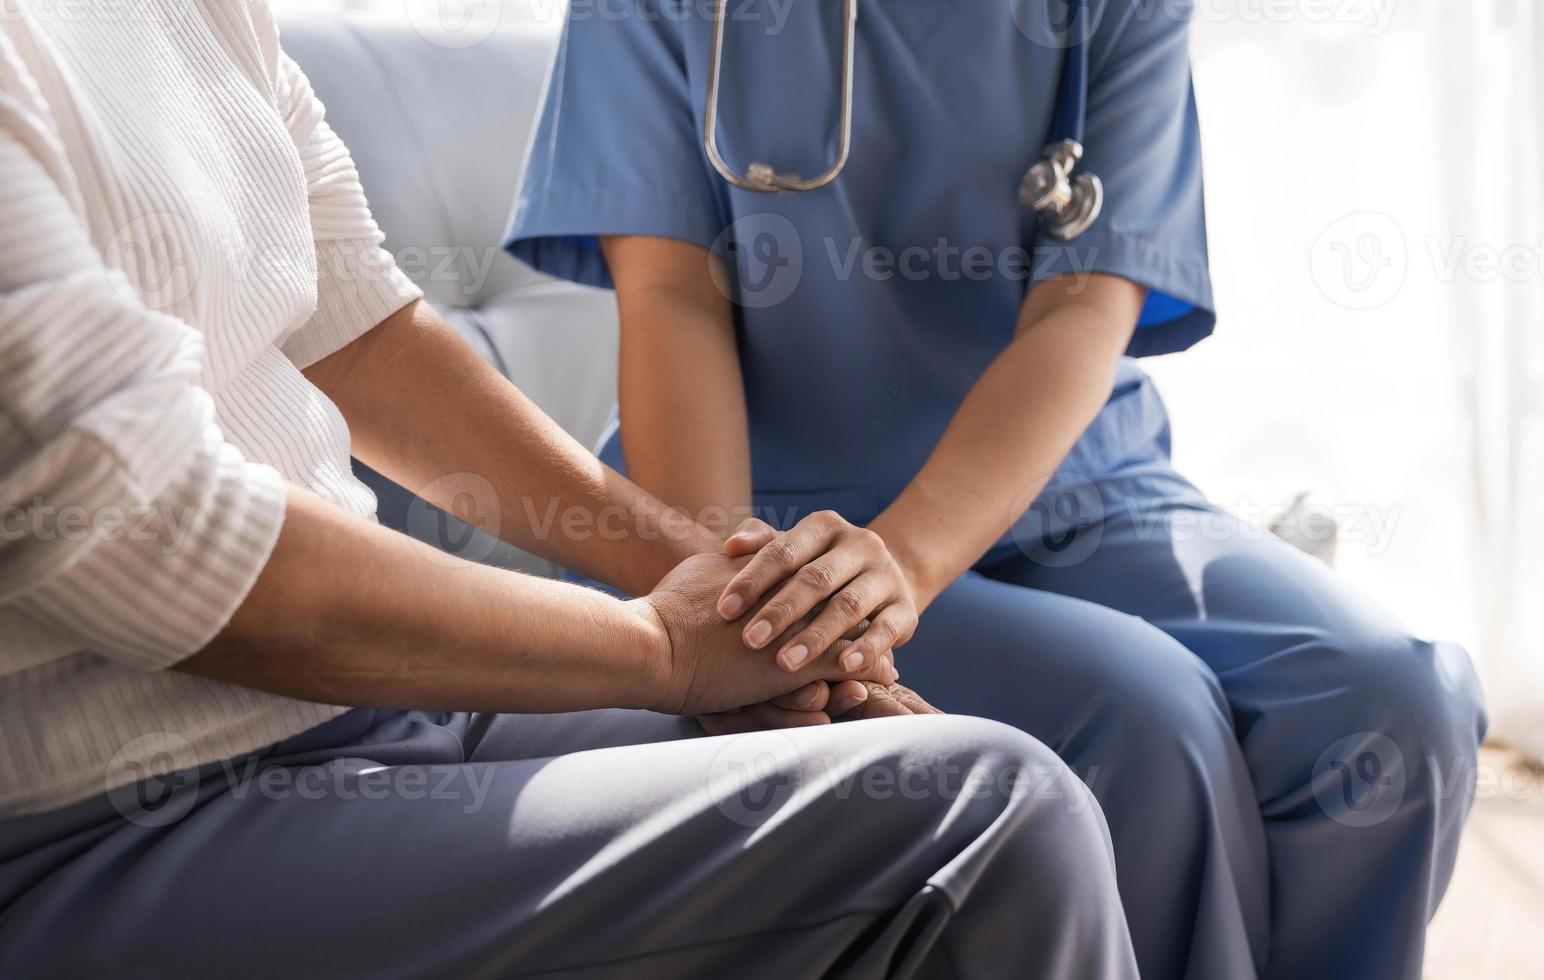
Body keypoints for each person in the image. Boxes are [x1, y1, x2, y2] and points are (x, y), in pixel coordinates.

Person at [0, 5, 1137, 977]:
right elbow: (165, 534)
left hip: (372, 725)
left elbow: (359, 327)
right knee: (988, 818)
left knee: (895, 746)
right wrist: (660, 648)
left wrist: (727, 599)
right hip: (113, 821)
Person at [503, 0, 1490, 976]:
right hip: (770, 520)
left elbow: (1088, 298)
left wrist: (907, 558)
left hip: (1081, 487)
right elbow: (672, 294)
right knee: (1147, 721)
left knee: (1398, 701)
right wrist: (740, 599)